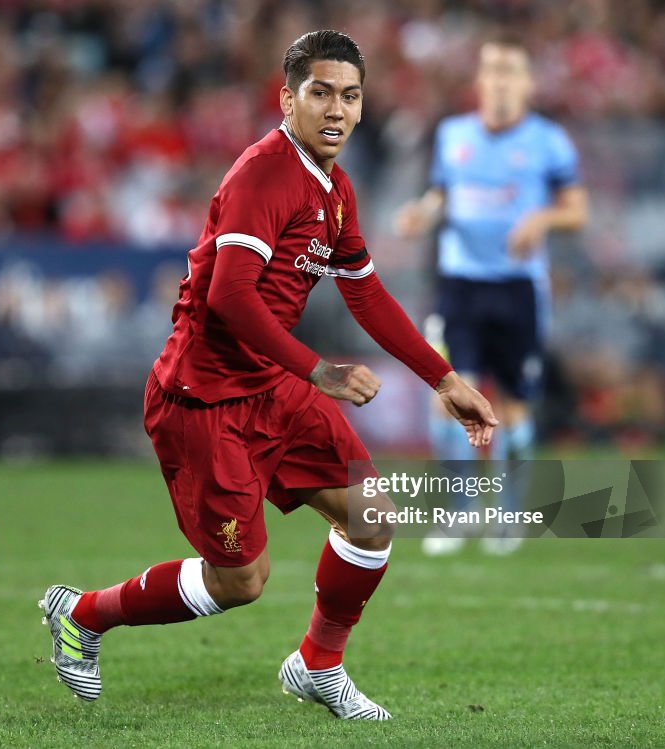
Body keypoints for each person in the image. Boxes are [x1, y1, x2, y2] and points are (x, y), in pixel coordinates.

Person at [40, 30, 497, 721]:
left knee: (372, 516)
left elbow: (365, 292)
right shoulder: (264, 173)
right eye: (320, 93)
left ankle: (318, 665)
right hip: (205, 399)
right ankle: (83, 614)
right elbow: (229, 294)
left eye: (350, 95)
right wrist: (319, 371)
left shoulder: (336, 188)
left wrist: (442, 378)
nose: (336, 109)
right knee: (241, 581)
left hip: (272, 387)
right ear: (288, 98)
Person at [395, 33, 588, 556]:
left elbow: (577, 208)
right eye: (492, 71)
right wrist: (423, 213)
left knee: (514, 408)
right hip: (459, 284)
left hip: (518, 287)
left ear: (527, 83)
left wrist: (541, 217)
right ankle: (460, 512)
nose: (500, 81)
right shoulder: (453, 135)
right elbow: (442, 193)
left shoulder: (548, 140)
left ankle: (508, 511)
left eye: (511, 72)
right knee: (447, 398)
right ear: (479, 82)